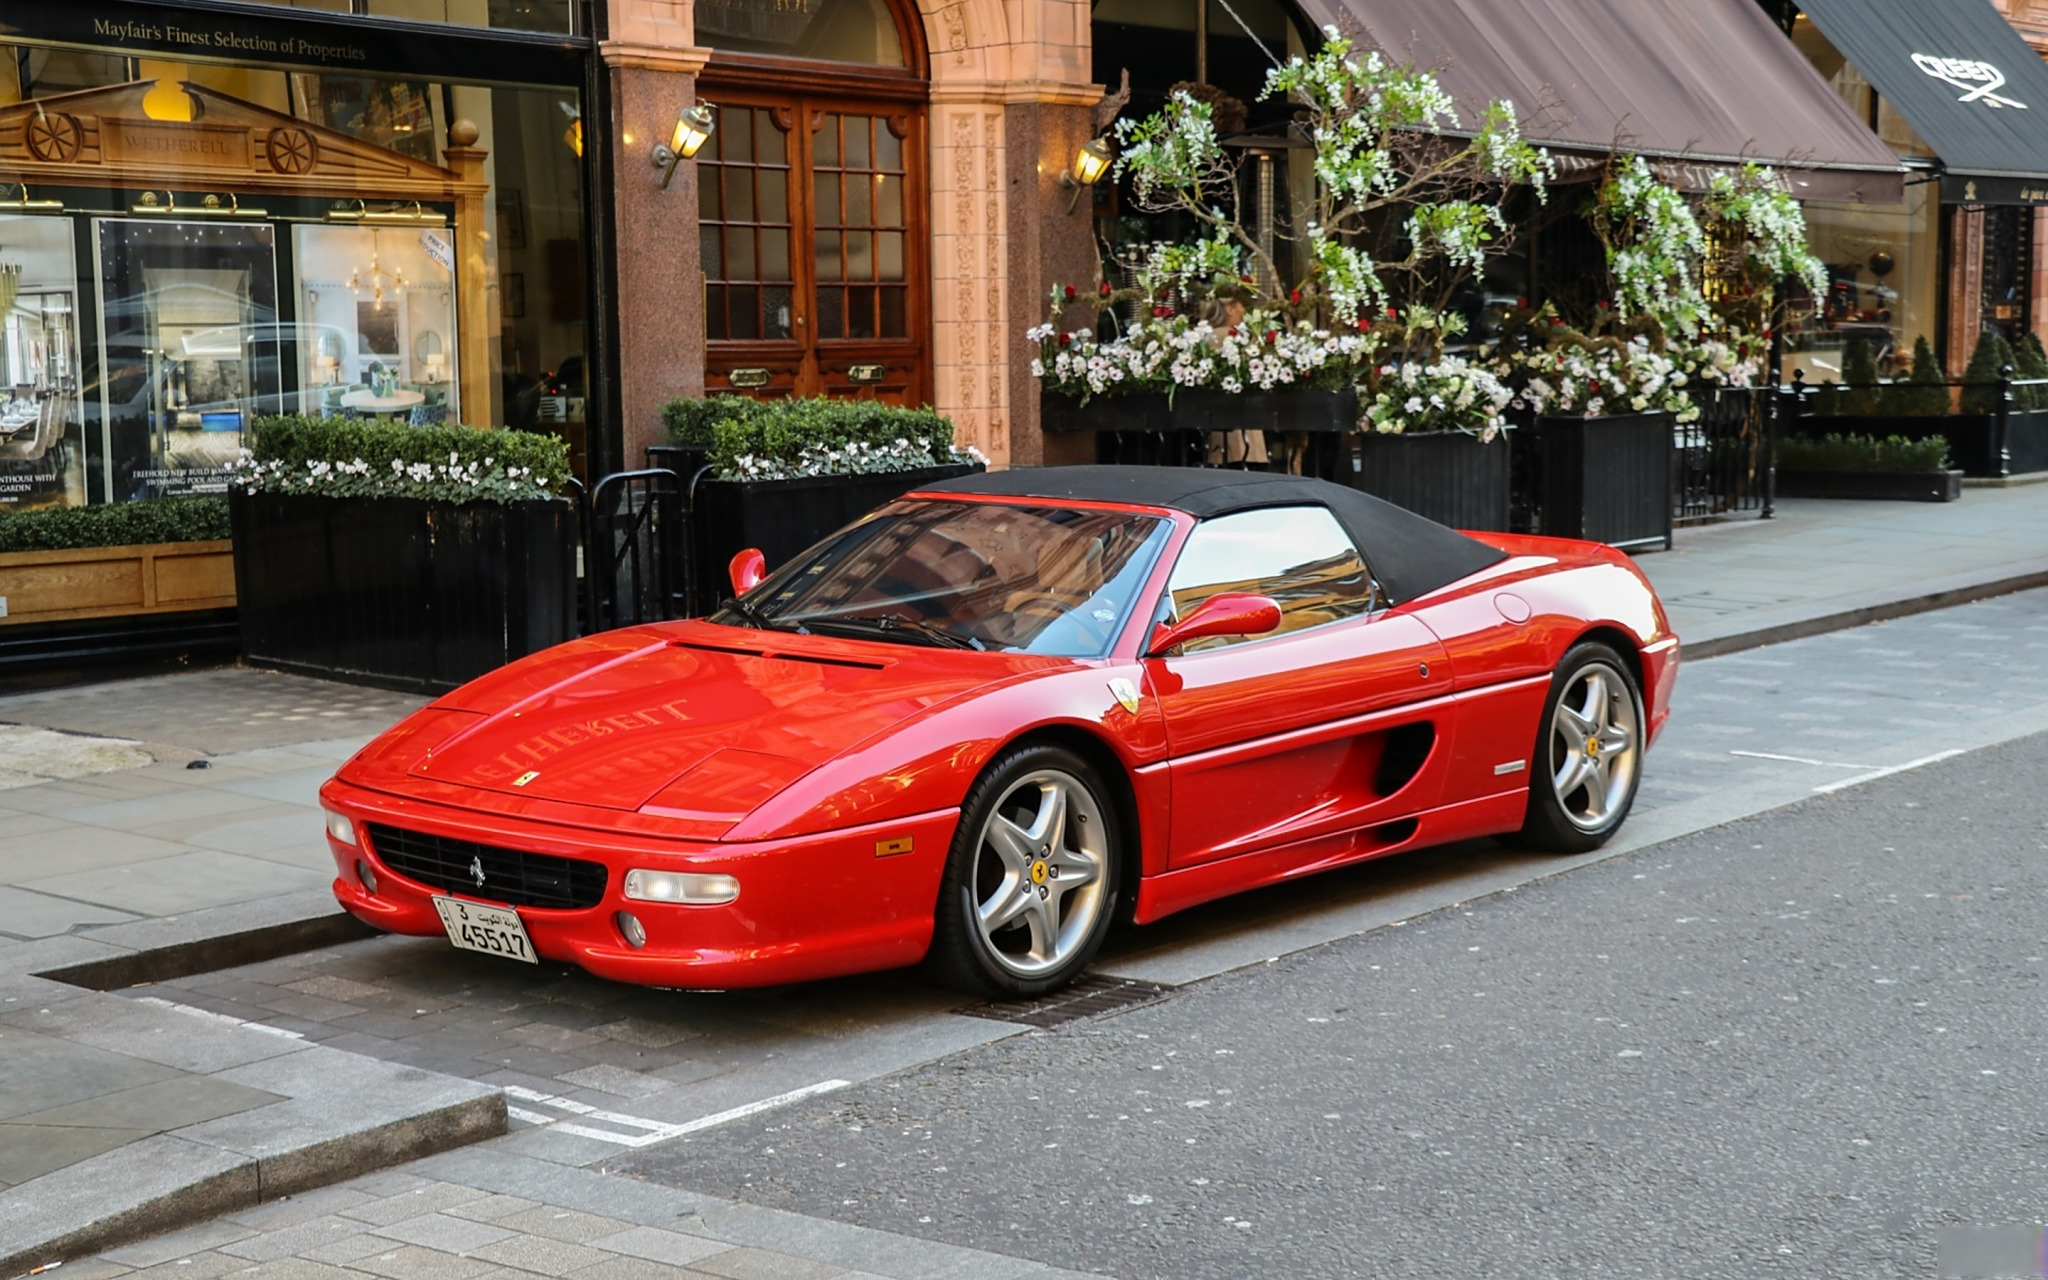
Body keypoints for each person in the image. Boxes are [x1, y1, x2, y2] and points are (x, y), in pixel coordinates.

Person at [1196, 295, 1269, 468]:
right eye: (1240, 306)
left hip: (1218, 421)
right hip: (1241, 422)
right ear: (1229, 309)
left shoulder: (1208, 336)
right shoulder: (1232, 335)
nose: (1243, 311)